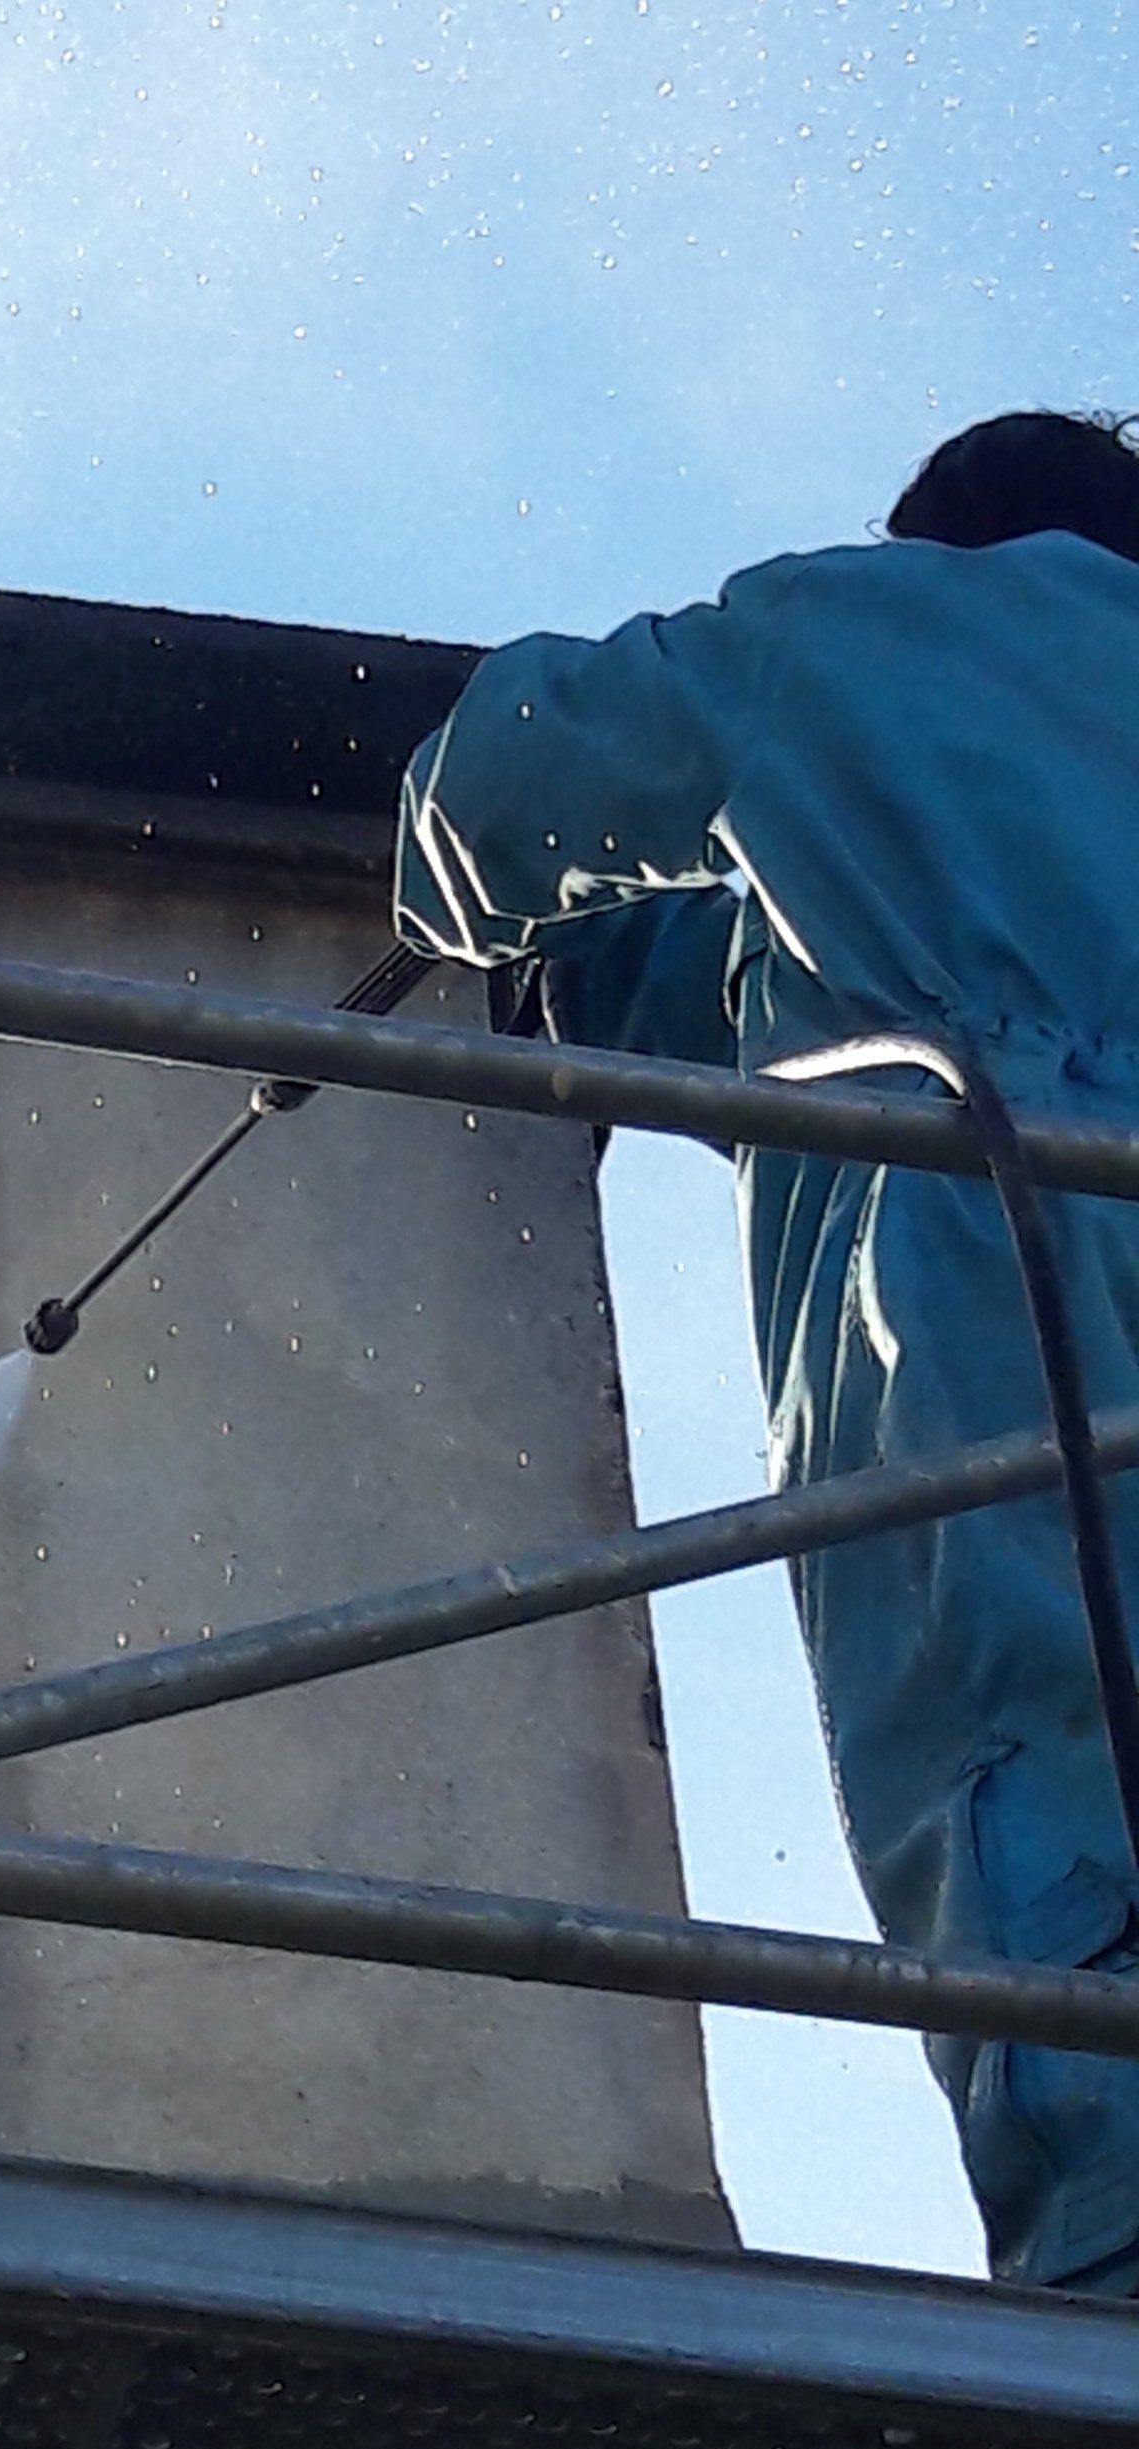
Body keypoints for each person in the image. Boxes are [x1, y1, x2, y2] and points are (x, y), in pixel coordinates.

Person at [391, 410, 1139, 2292]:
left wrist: (431, 888)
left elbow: (496, 803)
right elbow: (759, 998)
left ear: (936, 543)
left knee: (1053, 1813)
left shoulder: (850, 642)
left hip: (1005, 1344)